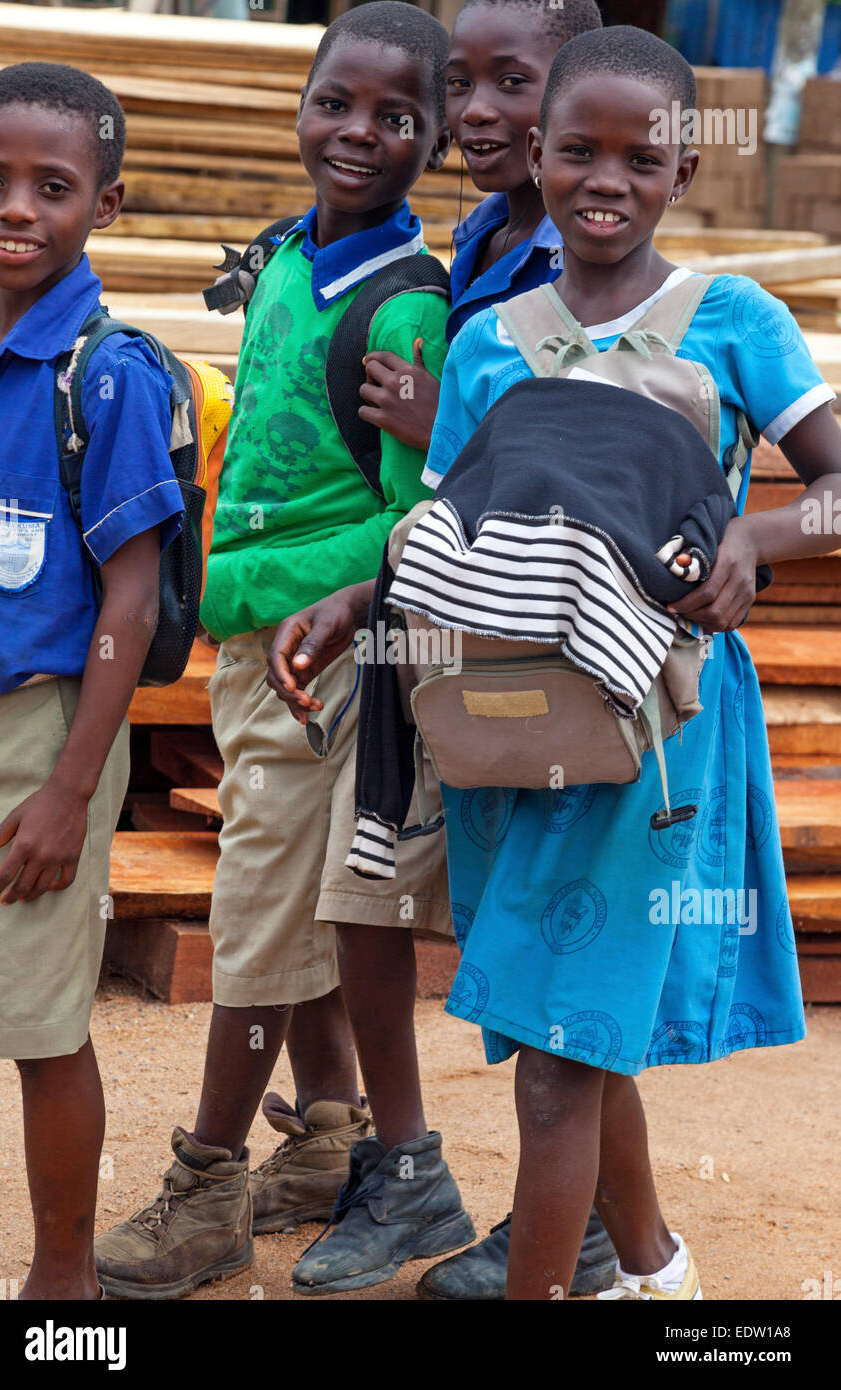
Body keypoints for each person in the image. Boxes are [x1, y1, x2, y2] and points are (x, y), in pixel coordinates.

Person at [416, 25, 839, 1300]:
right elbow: (444, 524)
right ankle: (648, 1270)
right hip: (507, 717)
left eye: (638, 157)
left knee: (556, 1050)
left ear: (682, 174)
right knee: (561, 1025)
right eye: (576, 152)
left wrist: (759, 533)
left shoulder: (732, 319)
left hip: (660, 720)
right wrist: (351, 607)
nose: (605, 179)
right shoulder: (489, 338)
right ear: (532, 161)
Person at [94, 2, 473, 1301]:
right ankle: (325, 1139)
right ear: (299, 103)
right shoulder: (287, 259)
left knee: (254, 909)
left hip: (337, 651)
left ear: (435, 137)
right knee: (299, 894)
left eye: (397, 116)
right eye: (336, 102)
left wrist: (313, 596)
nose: (358, 132)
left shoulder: (408, 307)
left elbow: (425, 511)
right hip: (258, 637)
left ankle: (204, 1183)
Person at [269, 0, 617, 1300]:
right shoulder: (474, 236)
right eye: (457, 84)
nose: (472, 112)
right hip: (415, 623)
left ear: (571, 87)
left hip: (521, 649)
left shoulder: (585, 263)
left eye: (507, 83)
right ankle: (410, 1165)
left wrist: (443, 423)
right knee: (366, 899)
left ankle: (576, 1227)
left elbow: (584, 467)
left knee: (539, 938)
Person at [0, 62, 185, 1301]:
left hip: (44, 734)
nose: (15, 209)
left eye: (51, 188)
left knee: (41, 1023)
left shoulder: (106, 374)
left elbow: (132, 597)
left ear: (105, 203)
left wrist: (68, 792)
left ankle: (67, 1289)